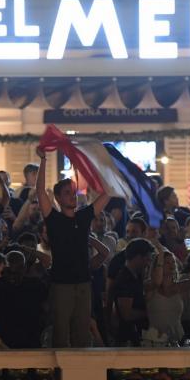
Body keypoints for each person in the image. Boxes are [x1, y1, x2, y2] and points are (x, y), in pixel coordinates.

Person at [36, 146, 110, 348]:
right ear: (58, 198)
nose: (73, 196)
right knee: (61, 332)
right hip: (61, 284)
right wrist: (43, 160)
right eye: (67, 193)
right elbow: (40, 192)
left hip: (84, 283)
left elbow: (106, 195)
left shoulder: (84, 216)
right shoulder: (53, 219)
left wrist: (95, 166)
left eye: (74, 192)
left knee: (83, 331)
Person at [0, 250, 48, 349]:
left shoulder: (36, 286)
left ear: (24, 269)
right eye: (9, 271)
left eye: (17, 270)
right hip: (2, 342)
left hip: (28, 341)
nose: (13, 275)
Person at [113, 238, 156, 346]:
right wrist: (149, 313)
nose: (149, 263)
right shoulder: (125, 279)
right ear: (138, 257)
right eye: (147, 259)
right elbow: (127, 314)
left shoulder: (135, 276)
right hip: (128, 339)